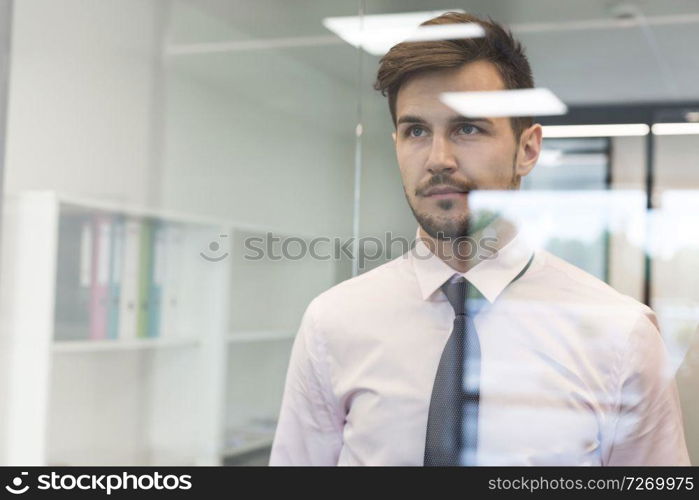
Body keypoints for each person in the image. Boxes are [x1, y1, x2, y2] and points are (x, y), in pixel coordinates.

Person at [268, 11, 691, 466]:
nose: (438, 159)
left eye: (467, 128)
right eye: (416, 131)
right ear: (396, 145)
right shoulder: (333, 323)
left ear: (527, 149)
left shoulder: (619, 335)